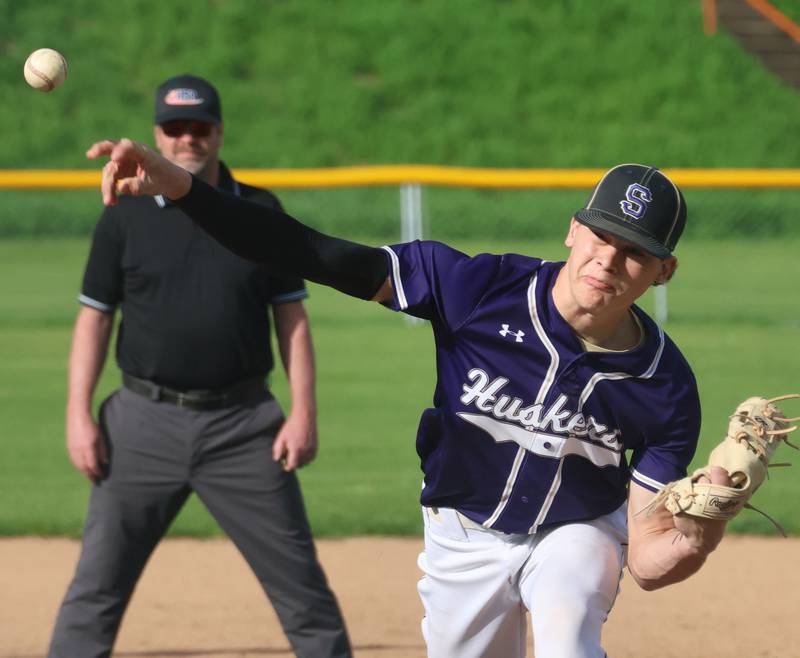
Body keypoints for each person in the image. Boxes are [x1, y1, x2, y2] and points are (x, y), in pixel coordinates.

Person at [87, 139, 733, 658]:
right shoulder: (477, 289)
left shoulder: (665, 385)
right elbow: (310, 252)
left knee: (568, 632)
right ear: (573, 231)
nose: (609, 261)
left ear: (663, 271)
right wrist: (184, 190)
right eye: (602, 237)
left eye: (634, 254)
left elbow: (647, 562)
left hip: (577, 532)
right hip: (463, 536)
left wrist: (705, 525)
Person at [48, 76, 351, 658]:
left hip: (243, 428)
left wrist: (303, 412)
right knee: (95, 592)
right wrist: (76, 415)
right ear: (158, 132)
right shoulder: (124, 211)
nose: (188, 137)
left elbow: (292, 319)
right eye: (174, 127)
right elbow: (94, 319)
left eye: (199, 126)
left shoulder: (259, 210)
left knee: (304, 595)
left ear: (218, 130)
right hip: (140, 424)